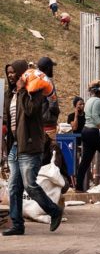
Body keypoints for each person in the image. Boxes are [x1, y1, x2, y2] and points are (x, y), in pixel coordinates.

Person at [3, 60, 64, 235]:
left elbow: (30, 111)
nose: (11, 75)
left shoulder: (33, 92)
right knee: (14, 187)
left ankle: (54, 211)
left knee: (29, 185)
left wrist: (23, 89)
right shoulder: (10, 95)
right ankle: (17, 224)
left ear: (23, 73)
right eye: (8, 72)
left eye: (14, 72)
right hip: (15, 146)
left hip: (30, 145)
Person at [37, 57, 60, 140]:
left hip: (36, 123)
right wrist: (56, 113)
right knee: (50, 149)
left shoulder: (34, 81)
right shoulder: (48, 82)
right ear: (48, 68)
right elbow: (53, 104)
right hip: (48, 124)